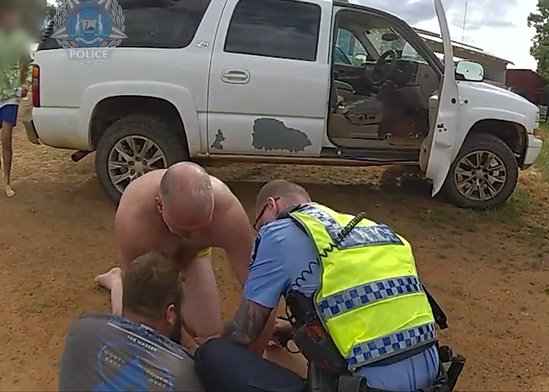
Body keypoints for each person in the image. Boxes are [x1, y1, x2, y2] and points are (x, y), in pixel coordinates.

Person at [195, 180, 443, 391]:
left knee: (213, 355)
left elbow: (244, 334)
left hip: (367, 387)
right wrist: (294, 330)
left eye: (259, 224)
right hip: (433, 380)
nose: (261, 231)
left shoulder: (278, 233)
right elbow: (370, 309)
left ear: (272, 205)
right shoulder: (378, 232)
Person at [95, 161, 255, 347]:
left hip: (193, 255)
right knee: (134, 327)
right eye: (186, 231)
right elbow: (141, 294)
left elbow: (256, 282)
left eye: (203, 228)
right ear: (159, 207)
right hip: (152, 266)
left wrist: (258, 333)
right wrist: (191, 349)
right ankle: (117, 281)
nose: (195, 236)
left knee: (207, 331)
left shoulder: (228, 213)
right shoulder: (134, 221)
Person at [59, 252, 203, 391]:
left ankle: (116, 282)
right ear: (170, 313)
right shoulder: (188, 374)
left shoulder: (82, 330)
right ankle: (115, 282)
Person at [0, 0, 34, 198]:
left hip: (9, 97)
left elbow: (30, 64)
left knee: (6, 139)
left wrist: (26, 84)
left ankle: (7, 182)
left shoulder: (21, 39)